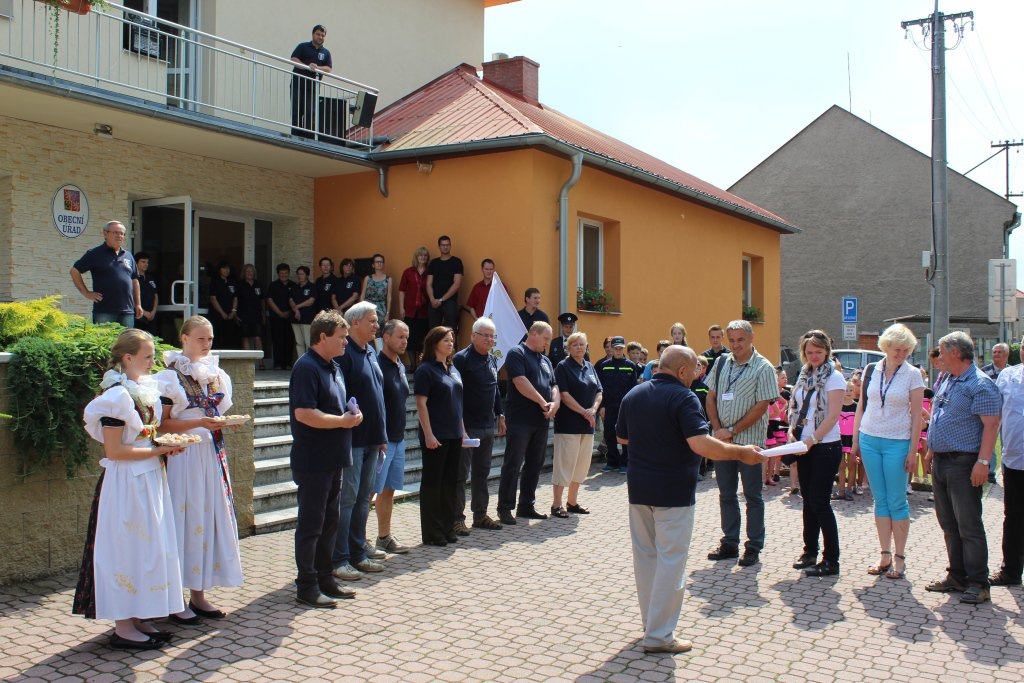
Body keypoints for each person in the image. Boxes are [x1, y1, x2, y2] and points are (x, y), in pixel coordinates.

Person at [617, 345, 764, 655]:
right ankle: (659, 636)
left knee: (646, 558)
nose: (698, 375)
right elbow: (700, 444)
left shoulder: (635, 394)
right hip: (673, 492)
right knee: (671, 560)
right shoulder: (684, 397)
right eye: (696, 369)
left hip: (639, 489)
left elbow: (622, 438)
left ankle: (652, 625)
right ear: (682, 371)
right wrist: (741, 453)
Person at [72, 329, 185, 650]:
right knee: (127, 549)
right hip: (127, 484)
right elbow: (115, 452)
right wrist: (159, 450)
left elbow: (145, 438)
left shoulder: (142, 390)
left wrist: (163, 446)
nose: (152, 362)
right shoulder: (117, 397)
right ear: (128, 358)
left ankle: (139, 615)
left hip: (149, 478)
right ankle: (123, 625)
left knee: (149, 550)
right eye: (147, 356)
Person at [156, 316, 244, 623]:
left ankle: (199, 594)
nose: (206, 345)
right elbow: (162, 424)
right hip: (183, 456)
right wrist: (200, 422)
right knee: (183, 518)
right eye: (200, 339)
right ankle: (174, 598)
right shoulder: (168, 377)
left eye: (209, 339)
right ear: (184, 339)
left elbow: (217, 413)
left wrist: (219, 424)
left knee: (207, 519)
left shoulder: (217, 374)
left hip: (210, 454)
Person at [289, 310, 362, 608]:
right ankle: (306, 585)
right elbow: (304, 413)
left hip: (335, 457)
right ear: (322, 337)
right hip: (314, 459)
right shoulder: (306, 367)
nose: (346, 342)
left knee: (330, 521)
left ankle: (325, 578)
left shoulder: (334, 367)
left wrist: (353, 414)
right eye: (341, 337)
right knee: (312, 523)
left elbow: (339, 405)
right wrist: (342, 422)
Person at [923, 331, 1000, 604]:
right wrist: (932, 449)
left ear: (955, 353)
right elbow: (938, 415)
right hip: (943, 461)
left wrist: (983, 462)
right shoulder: (947, 378)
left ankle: (978, 582)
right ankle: (957, 575)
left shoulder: (980, 384)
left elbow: (991, 425)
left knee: (968, 524)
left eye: (942, 351)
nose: (939, 357)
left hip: (964, 462)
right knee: (948, 523)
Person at [850, 323, 924, 580]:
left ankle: (900, 557)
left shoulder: (914, 374)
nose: (902, 354)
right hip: (870, 439)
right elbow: (862, 405)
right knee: (879, 499)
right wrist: (856, 439)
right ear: (886, 347)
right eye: (897, 349)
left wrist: (913, 451)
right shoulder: (872, 369)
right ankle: (884, 554)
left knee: (897, 500)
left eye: (906, 350)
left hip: (898, 441)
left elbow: (917, 417)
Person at [705, 320, 777, 568]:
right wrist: (717, 429)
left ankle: (753, 547)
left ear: (751, 338)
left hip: (749, 443)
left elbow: (762, 406)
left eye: (740, 340)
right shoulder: (722, 361)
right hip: (723, 443)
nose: (735, 345)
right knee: (726, 494)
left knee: (752, 496)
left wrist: (733, 430)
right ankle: (730, 543)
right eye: (732, 340)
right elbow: (711, 396)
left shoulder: (763, 367)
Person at [332, 302, 388, 581]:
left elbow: (377, 395)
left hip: (372, 439)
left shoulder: (370, 351)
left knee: (364, 500)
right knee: (348, 500)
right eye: (372, 321)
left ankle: (358, 552)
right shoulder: (344, 354)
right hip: (353, 440)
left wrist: (381, 436)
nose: (377, 325)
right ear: (354, 323)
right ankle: (339, 558)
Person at [787, 330, 846, 577]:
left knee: (820, 502)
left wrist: (813, 439)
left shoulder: (835, 378)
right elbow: (796, 408)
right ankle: (809, 551)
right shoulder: (803, 375)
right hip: (804, 444)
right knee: (808, 501)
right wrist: (792, 432)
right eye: (809, 352)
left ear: (827, 352)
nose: (814, 357)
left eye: (818, 352)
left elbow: (832, 416)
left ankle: (831, 559)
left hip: (825, 446)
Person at [496, 321, 559, 525]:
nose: (547, 344)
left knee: (535, 463)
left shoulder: (545, 360)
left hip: (541, 420)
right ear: (533, 334)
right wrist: (543, 402)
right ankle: (505, 508)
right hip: (521, 419)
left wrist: (555, 403)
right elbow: (520, 381)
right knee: (513, 463)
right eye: (546, 339)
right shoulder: (517, 353)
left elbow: (554, 385)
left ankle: (526, 505)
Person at [453, 317, 506, 532]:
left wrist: (500, 414)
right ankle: (457, 518)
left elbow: (495, 390)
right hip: (468, 427)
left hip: (487, 426)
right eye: (485, 335)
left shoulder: (492, 360)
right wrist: (461, 426)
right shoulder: (461, 359)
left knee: (482, 473)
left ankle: (480, 515)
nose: (489, 339)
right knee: (460, 475)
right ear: (473, 335)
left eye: (492, 336)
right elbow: (455, 395)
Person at [414, 326, 466, 546]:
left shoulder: (453, 368)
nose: (450, 343)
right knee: (433, 484)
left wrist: (462, 431)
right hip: (436, 436)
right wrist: (428, 434)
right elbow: (421, 404)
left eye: (452, 340)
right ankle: (432, 532)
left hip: (454, 435)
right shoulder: (425, 370)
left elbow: (458, 404)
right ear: (434, 342)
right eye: (445, 340)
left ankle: (447, 527)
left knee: (450, 484)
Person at [551, 331, 602, 517]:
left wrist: (594, 410)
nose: (579, 347)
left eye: (582, 344)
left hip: (587, 425)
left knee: (581, 466)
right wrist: (584, 411)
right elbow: (564, 395)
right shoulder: (563, 367)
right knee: (565, 464)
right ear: (568, 348)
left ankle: (572, 502)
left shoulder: (589, 366)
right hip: (569, 424)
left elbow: (599, 391)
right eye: (575, 344)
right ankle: (557, 505)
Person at [374, 320, 412, 555]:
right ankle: (354, 543)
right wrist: (379, 436)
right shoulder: (377, 365)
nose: (404, 341)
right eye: (400, 336)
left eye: (406, 337)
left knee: (388, 490)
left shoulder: (400, 365)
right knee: (368, 492)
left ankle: (384, 537)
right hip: (381, 440)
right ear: (385, 337)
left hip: (398, 438)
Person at [993, 339, 1024, 587]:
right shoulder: (1008, 375)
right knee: (1013, 516)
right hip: (1015, 460)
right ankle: (1011, 571)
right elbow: (996, 416)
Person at [70, 220, 142, 327]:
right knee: (105, 342)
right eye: (115, 233)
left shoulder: (128, 256)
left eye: (122, 233)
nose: (119, 236)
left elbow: (135, 280)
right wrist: (86, 293)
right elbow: (74, 271)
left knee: (127, 343)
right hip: (105, 311)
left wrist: (138, 304)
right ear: (105, 234)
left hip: (127, 311)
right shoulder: (95, 254)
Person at [596, 336, 640, 472]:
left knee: (625, 434)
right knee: (609, 434)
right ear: (612, 349)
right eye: (616, 348)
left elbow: (634, 389)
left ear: (623, 348)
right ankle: (612, 461)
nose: (618, 351)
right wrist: (601, 406)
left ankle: (625, 462)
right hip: (609, 406)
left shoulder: (631, 366)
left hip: (625, 407)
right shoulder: (604, 366)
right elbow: (600, 388)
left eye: (621, 348)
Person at [289, 24, 332, 137]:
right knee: (296, 111)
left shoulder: (326, 53)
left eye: (323, 35)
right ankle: (295, 137)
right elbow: (293, 59)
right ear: (313, 34)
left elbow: (328, 69)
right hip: (298, 84)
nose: (320, 37)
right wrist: (307, 66)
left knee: (310, 113)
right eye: (318, 34)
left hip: (312, 87)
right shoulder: (303, 46)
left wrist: (317, 68)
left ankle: (307, 139)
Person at [981, 342, 1009, 484]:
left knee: (1008, 443)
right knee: (989, 441)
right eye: (994, 352)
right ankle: (990, 471)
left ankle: (1007, 471)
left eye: (999, 352)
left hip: (1008, 414)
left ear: (1007, 355)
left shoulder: (1011, 373)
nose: (996, 355)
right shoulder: (984, 372)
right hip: (991, 413)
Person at [399, 247, 430, 370]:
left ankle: (422, 365)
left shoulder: (430, 272)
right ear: (416, 257)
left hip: (425, 311)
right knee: (410, 338)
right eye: (420, 255)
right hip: (410, 310)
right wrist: (401, 307)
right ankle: (413, 365)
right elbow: (402, 291)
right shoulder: (408, 272)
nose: (422, 257)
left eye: (425, 255)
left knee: (423, 339)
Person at [426, 235, 463, 330]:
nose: (445, 247)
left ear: (450, 246)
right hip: (433, 302)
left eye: (447, 245)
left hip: (450, 302)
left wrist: (442, 300)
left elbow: (456, 284)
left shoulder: (456, 262)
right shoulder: (433, 263)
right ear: (439, 247)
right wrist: (432, 299)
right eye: (443, 245)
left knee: (450, 331)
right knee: (434, 332)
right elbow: (429, 283)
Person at [267, 263, 296, 370]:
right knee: (277, 340)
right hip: (276, 317)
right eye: (281, 273)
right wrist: (279, 312)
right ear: (278, 274)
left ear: (288, 273)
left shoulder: (293, 285)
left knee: (289, 340)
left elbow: (296, 300)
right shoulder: (273, 285)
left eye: (286, 273)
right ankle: (278, 364)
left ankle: (288, 364)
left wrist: (289, 312)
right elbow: (269, 300)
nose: (284, 275)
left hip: (290, 317)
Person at [237, 264, 266, 370]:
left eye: (251, 271)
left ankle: (261, 363)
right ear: (244, 273)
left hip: (256, 314)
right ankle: (247, 364)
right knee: (246, 337)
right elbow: (236, 299)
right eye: (247, 271)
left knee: (257, 337)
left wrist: (263, 313)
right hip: (244, 314)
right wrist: (235, 313)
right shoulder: (240, 285)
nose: (250, 273)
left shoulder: (258, 285)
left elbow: (262, 300)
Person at [207, 261, 241, 349]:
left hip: (230, 316)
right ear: (219, 270)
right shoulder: (215, 282)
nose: (226, 270)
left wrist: (233, 312)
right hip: (218, 316)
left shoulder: (232, 282)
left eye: (228, 268)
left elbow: (235, 298)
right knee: (217, 339)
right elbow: (213, 299)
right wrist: (222, 313)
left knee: (230, 339)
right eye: (224, 268)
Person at [290, 265, 316, 358]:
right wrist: (296, 310)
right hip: (295, 318)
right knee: (299, 342)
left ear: (307, 275)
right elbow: (291, 300)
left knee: (308, 341)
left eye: (302, 274)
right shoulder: (294, 287)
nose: (300, 276)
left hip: (307, 317)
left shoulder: (312, 286)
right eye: (298, 274)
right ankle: (301, 361)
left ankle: (310, 362)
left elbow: (311, 301)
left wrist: (297, 307)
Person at [361, 253, 392, 325]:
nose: (379, 263)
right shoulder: (367, 278)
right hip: (367, 310)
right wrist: (360, 311)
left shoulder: (388, 279)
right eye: (377, 262)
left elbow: (389, 297)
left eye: (381, 262)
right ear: (373, 265)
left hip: (381, 310)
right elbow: (362, 295)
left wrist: (387, 313)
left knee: (380, 332)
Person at [133, 251, 158, 333]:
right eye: (143, 262)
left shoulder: (150, 278)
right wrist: (143, 312)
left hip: (151, 317)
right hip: (138, 316)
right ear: (136, 263)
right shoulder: (133, 279)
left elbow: (155, 296)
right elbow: (130, 296)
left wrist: (153, 312)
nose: (146, 264)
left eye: (147, 262)